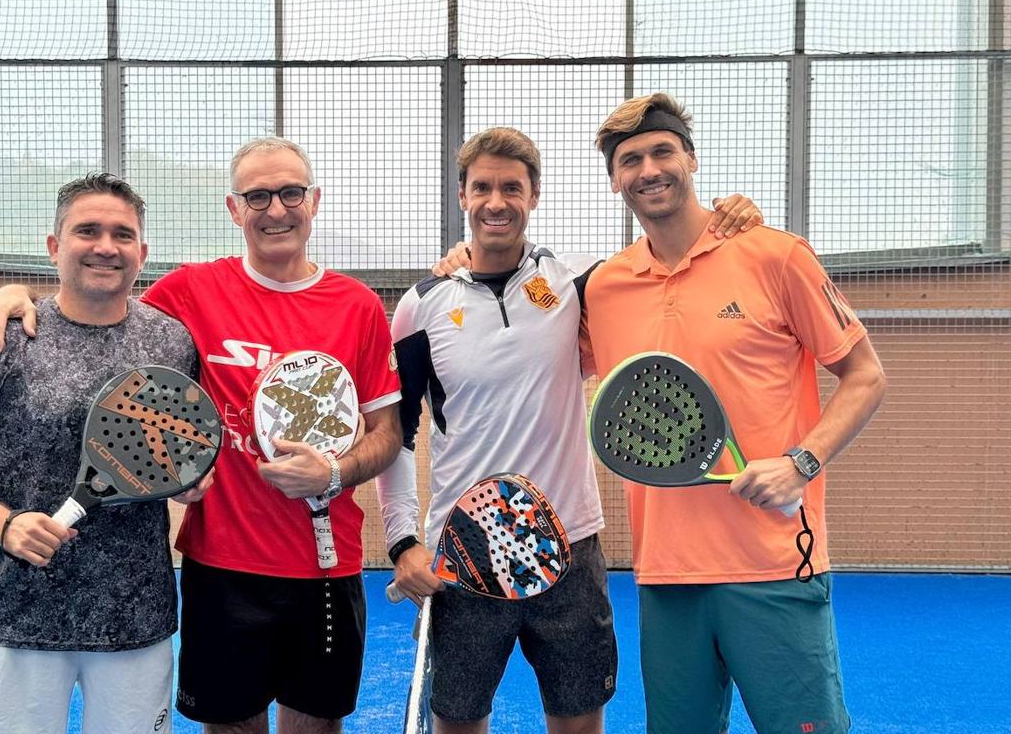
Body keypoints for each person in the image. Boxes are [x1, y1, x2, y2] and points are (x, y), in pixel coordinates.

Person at [0, 138, 403, 734]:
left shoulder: (358, 306)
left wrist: (335, 473)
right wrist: (17, 296)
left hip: (327, 568)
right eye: (257, 196)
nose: (276, 210)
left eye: (290, 193)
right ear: (233, 208)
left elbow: (388, 433)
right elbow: (98, 299)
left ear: (314, 201)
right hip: (223, 565)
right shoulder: (190, 292)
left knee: (315, 729)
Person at [379, 127, 763, 734]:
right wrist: (404, 543)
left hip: (571, 547)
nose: (496, 201)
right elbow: (397, 436)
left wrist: (728, 218)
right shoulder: (419, 306)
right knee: (456, 723)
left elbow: (665, 263)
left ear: (535, 197)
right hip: (463, 552)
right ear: (462, 196)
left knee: (580, 720)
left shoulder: (579, 285)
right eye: (483, 187)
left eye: (512, 187)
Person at [583, 93, 886, 734]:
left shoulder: (776, 255)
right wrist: (467, 261)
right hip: (665, 573)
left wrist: (802, 462)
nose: (648, 169)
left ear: (690, 159)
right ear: (616, 181)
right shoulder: (605, 285)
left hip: (775, 561)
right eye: (630, 159)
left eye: (662, 151)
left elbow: (865, 376)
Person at [0, 173, 213, 734]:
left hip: (135, 622)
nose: (105, 246)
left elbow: (179, 448)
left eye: (122, 234)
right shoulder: (4, 334)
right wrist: (5, 524)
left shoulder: (173, 342)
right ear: (53, 246)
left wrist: (190, 483)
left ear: (141, 253)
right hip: (16, 617)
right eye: (86, 231)